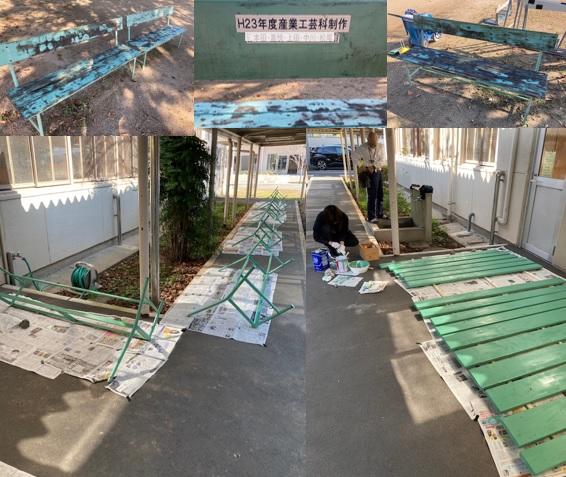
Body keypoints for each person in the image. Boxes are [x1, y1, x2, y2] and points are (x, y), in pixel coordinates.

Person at [352, 132, 386, 223]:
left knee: (380, 194)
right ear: (368, 140)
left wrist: (374, 166)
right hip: (368, 173)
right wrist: (362, 165)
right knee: (372, 195)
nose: (374, 143)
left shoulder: (381, 147)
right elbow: (354, 157)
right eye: (372, 142)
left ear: (377, 139)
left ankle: (380, 213)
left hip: (378, 171)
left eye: (375, 141)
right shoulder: (362, 148)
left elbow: (383, 160)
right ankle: (371, 217)